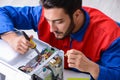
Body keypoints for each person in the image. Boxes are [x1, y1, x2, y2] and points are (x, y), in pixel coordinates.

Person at [0, 0, 120, 80]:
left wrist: (92, 68)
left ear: (77, 15)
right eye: (48, 20)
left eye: (59, 22)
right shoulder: (44, 14)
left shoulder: (111, 36)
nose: (51, 29)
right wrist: (11, 37)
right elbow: (2, 12)